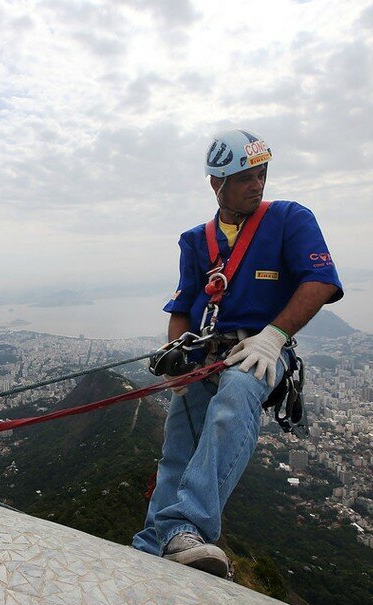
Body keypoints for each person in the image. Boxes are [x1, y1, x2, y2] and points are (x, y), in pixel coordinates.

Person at [132, 129, 343, 576]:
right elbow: (184, 305)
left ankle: (189, 524)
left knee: (235, 396)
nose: (258, 184)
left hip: (260, 349)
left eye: (262, 174)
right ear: (217, 183)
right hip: (205, 352)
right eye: (246, 177)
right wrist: (175, 358)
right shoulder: (195, 240)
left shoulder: (288, 219)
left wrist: (274, 336)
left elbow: (320, 282)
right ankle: (155, 541)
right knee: (178, 442)